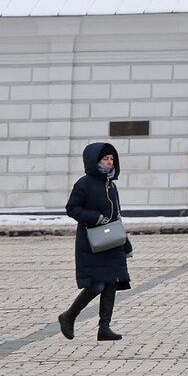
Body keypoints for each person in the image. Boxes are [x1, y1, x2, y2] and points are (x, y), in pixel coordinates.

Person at [58, 141, 131, 342]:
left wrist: (125, 244)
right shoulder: (84, 184)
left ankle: (104, 328)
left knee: (111, 284)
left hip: (112, 242)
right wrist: (94, 217)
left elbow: (117, 216)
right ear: (94, 161)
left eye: (111, 159)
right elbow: (72, 208)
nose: (109, 163)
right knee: (96, 284)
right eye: (105, 159)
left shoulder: (111, 186)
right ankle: (69, 316)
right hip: (93, 243)